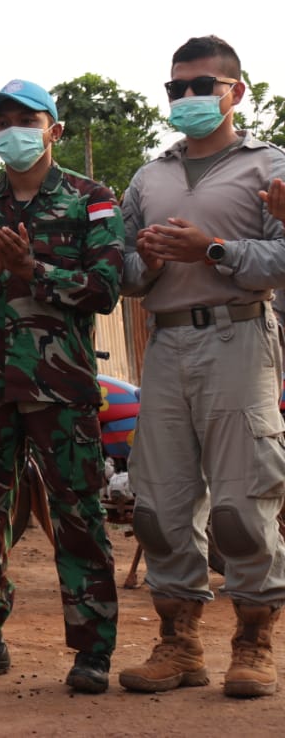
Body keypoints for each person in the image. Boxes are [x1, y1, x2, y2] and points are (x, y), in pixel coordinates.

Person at [0, 79, 122, 694]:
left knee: (78, 512)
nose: (11, 130)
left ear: (54, 130)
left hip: (62, 388)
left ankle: (92, 651)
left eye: (25, 119)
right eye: (1, 122)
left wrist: (30, 269)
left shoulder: (91, 200)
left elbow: (104, 288)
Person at [119, 36, 285, 698]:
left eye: (201, 86)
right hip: (165, 344)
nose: (186, 98)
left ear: (235, 91)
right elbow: (124, 273)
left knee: (244, 503)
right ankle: (179, 642)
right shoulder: (147, 177)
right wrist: (152, 263)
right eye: (176, 88)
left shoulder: (269, 168)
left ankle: (253, 643)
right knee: (158, 502)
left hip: (239, 337)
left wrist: (212, 248)